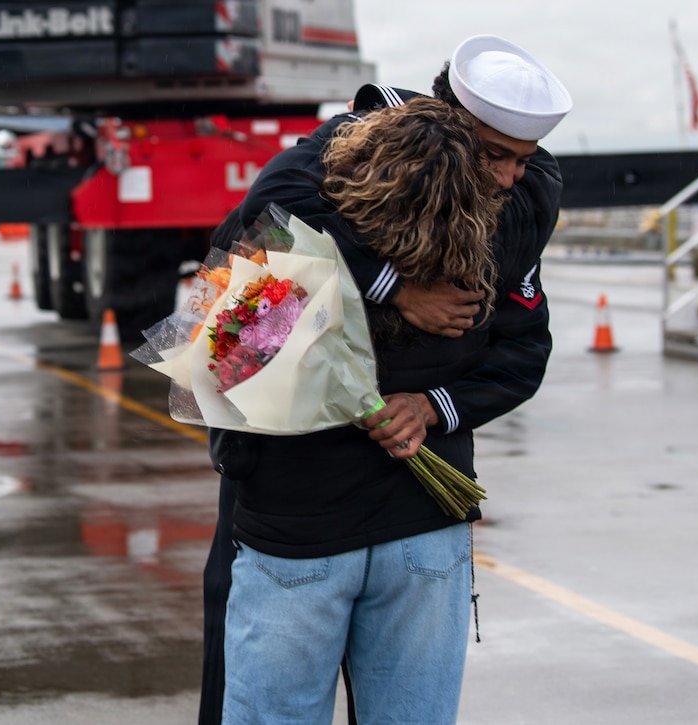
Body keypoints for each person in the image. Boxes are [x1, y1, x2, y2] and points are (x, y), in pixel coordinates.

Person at [199, 34, 571, 724]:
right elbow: (275, 210)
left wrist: (429, 407)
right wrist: (393, 288)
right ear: (446, 124)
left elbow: (241, 292)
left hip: (366, 524)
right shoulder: (351, 156)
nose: (509, 179)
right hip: (332, 526)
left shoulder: (513, 209)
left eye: (523, 160)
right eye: (494, 156)